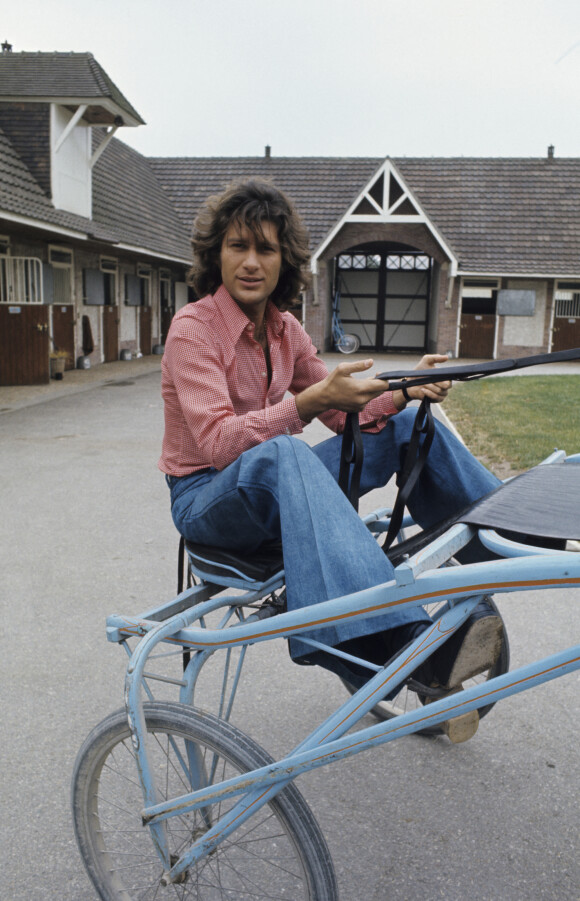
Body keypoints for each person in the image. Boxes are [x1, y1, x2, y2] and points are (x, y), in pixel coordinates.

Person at [159, 178, 503, 742]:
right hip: (205, 501)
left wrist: (404, 390)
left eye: (265, 249)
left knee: (405, 431)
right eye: (238, 246)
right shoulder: (193, 329)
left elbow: (345, 412)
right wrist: (305, 404)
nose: (251, 262)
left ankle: (510, 538)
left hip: (271, 484)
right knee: (285, 451)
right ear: (215, 253)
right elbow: (220, 444)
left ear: (283, 261)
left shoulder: (285, 329)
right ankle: (399, 645)